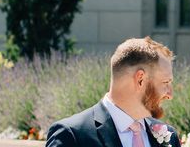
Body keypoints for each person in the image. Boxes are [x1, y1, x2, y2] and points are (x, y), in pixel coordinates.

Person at [46, 37, 181, 147]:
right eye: (165, 83)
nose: (170, 95)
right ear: (140, 79)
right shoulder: (72, 135)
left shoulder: (169, 136)